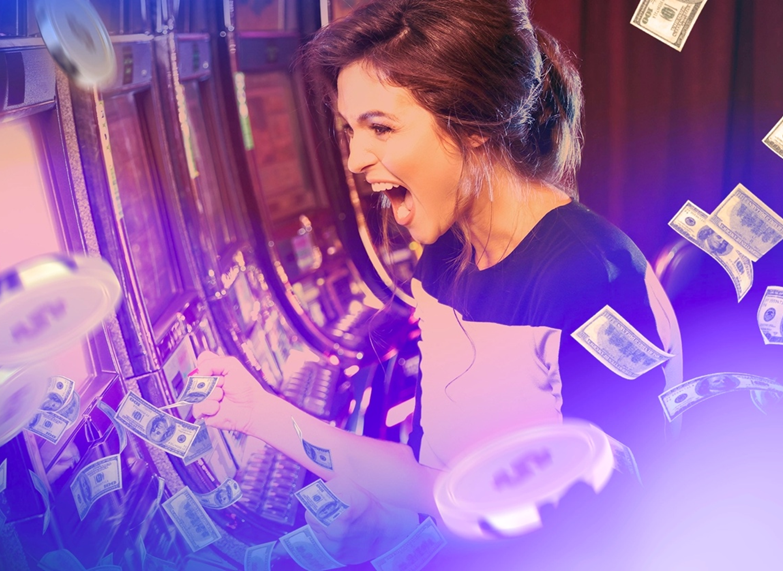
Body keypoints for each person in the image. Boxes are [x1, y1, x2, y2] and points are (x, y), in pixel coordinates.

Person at [193, 0, 681, 567]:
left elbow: (610, 530)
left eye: (380, 127)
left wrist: (397, 536)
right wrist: (258, 414)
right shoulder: (445, 255)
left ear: (474, 122)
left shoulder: (592, 279)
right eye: (350, 131)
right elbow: (432, 476)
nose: (353, 158)